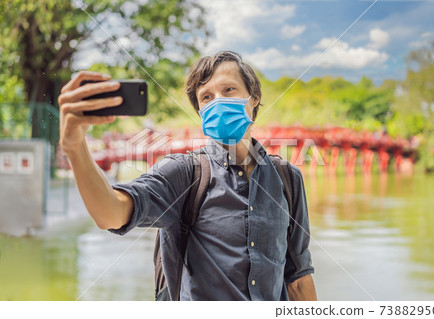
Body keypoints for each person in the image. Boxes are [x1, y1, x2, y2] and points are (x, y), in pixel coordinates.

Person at [58, 50, 317, 301]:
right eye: (206, 97)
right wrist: (75, 148)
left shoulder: (287, 179)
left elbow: (298, 279)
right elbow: (111, 213)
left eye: (228, 90)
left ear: (254, 97)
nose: (217, 101)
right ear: (201, 113)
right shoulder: (184, 174)